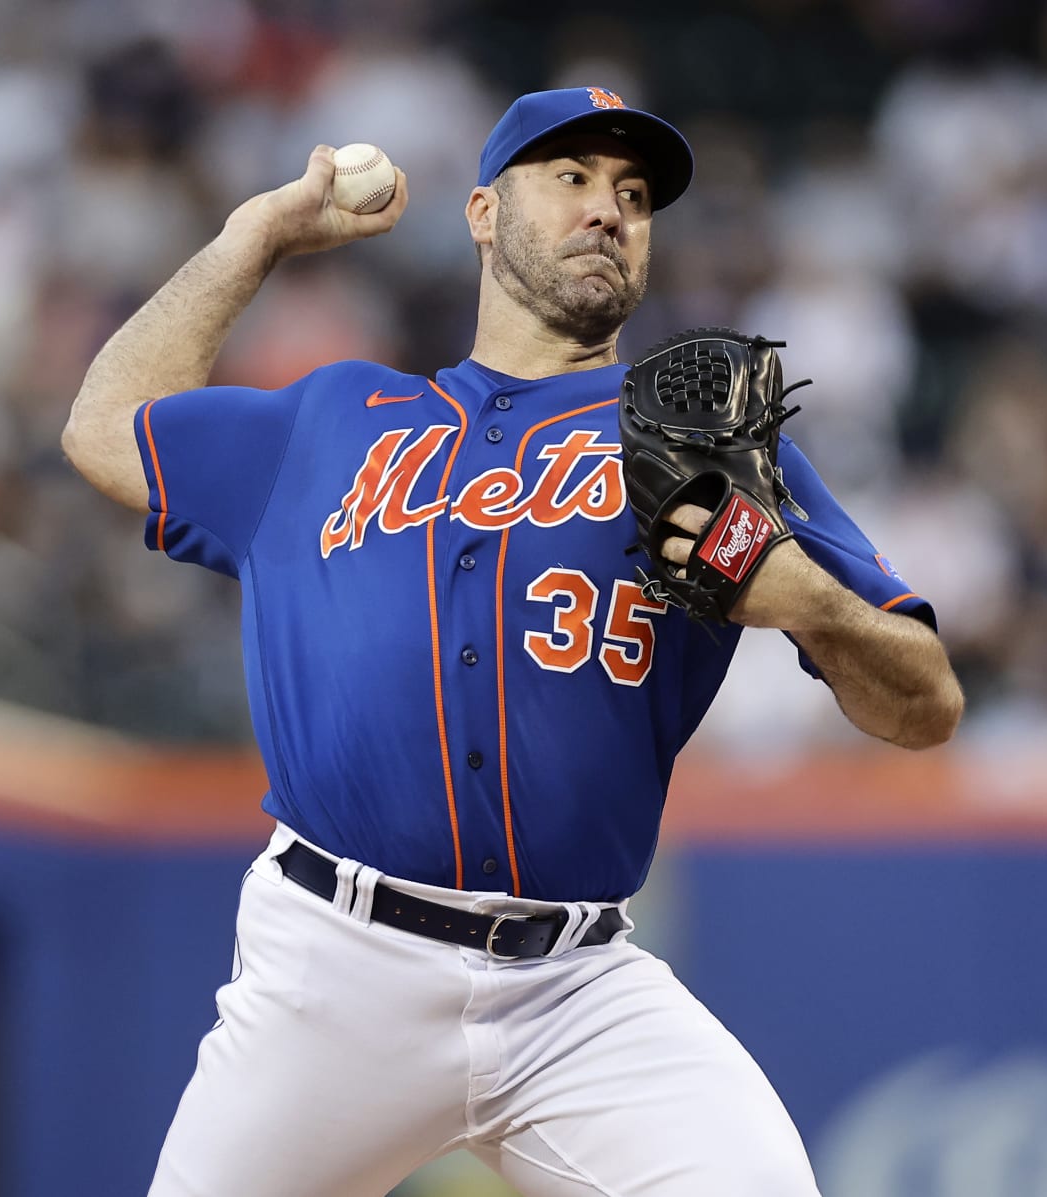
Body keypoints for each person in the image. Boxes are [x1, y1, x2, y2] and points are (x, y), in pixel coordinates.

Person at [62, 85, 963, 1197]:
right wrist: (254, 242)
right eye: (572, 178)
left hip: (577, 992)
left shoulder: (697, 446)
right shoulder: (334, 421)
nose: (609, 211)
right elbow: (102, 427)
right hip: (332, 975)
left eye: (634, 194)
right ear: (484, 213)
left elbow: (926, 707)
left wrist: (812, 603)